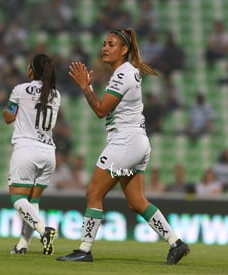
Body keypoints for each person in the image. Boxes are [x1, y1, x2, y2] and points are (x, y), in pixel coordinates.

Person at [57, 28, 189, 264]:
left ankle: (84, 250)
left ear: (124, 50)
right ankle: (176, 243)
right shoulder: (128, 72)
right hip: (137, 142)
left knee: (94, 193)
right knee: (137, 201)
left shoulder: (121, 75)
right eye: (104, 43)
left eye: (111, 44)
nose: (105, 48)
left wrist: (85, 88)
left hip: (125, 142)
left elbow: (100, 110)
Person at [2, 54, 60, 256]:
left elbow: (8, 117)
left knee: (18, 200)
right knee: (32, 202)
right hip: (48, 153)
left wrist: (15, 110)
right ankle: (22, 245)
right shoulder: (55, 94)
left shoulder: (20, 90)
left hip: (26, 149)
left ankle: (45, 231)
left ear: (31, 71)